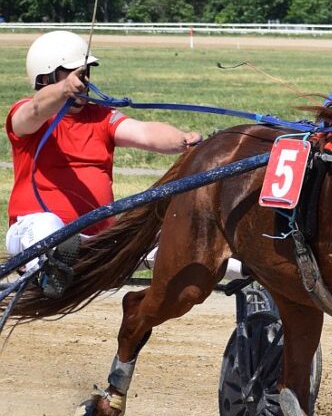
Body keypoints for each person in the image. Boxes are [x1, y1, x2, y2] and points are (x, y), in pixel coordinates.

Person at [6, 30, 202, 294]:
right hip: (31, 234)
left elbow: (144, 133)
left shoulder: (101, 118)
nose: (84, 82)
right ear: (47, 76)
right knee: (48, 226)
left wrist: (182, 141)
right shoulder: (27, 114)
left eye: (85, 74)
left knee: (172, 236)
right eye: (74, 74)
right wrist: (62, 91)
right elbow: (34, 110)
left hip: (98, 242)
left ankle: (244, 268)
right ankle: (46, 273)